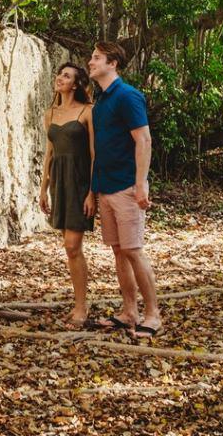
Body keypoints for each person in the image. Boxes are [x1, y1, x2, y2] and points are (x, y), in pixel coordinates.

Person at [85, 40, 162, 339]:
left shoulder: (128, 96)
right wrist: (94, 190)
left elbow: (143, 140)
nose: (90, 62)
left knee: (133, 249)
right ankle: (129, 311)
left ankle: (153, 314)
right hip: (106, 187)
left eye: (96, 58)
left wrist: (141, 183)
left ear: (112, 63)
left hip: (127, 186)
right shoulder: (101, 101)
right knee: (118, 251)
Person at [39, 62, 96, 329]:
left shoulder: (87, 111)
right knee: (71, 248)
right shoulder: (50, 113)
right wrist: (42, 189)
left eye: (66, 76)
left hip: (80, 182)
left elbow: (95, 155)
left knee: (72, 246)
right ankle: (80, 302)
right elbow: (49, 154)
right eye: (60, 74)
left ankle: (81, 307)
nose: (59, 78)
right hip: (58, 183)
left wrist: (92, 193)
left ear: (75, 84)